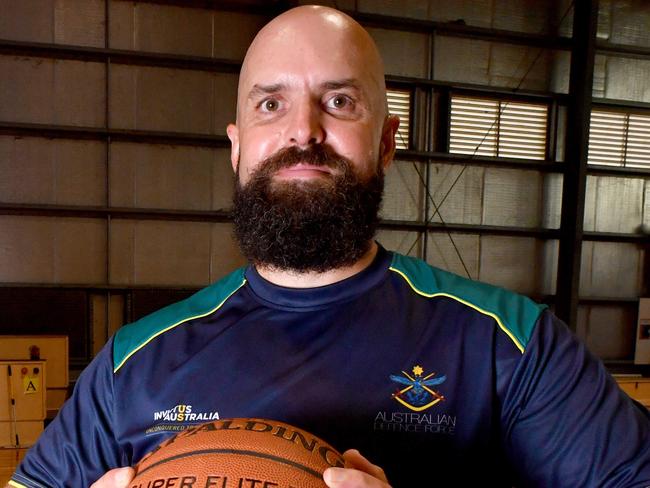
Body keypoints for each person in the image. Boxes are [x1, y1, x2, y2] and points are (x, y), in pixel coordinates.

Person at [7, 5, 650, 488]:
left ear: (387, 139)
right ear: (236, 146)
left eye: (339, 101)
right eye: (270, 104)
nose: (303, 131)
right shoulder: (131, 364)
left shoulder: (511, 346)